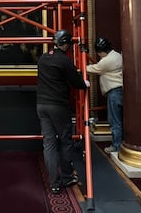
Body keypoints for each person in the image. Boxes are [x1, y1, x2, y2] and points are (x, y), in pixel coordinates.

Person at [36, 29, 90, 194]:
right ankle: (67, 177)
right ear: (65, 43)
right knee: (65, 141)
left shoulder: (43, 58)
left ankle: (54, 183)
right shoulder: (64, 60)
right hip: (58, 106)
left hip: (41, 105)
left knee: (49, 144)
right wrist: (85, 83)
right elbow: (77, 82)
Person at [86, 37, 123, 153]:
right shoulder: (116, 55)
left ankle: (116, 147)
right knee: (119, 120)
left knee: (114, 122)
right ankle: (120, 144)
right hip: (120, 92)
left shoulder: (107, 61)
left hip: (114, 93)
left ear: (101, 51)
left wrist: (77, 67)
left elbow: (91, 68)